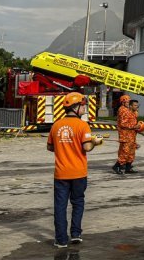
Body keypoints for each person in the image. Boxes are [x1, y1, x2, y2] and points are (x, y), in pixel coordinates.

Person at [46, 91, 103, 248]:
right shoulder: (82, 125)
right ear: (75, 107)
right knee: (78, 202)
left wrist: (64, 146)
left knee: (60, 206)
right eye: (83, 106)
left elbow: (50, 147)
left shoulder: (56, 125)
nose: (84, 109)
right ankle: (76, 234)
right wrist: (96, 142)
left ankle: (61, 240)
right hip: (78, 173)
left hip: (61, 173)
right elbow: (86, 147)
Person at [113, 95, 144, 174]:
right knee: (125, 151)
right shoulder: (123, 111)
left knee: (131, 151)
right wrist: (134, 126)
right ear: (123, 102)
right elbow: (123, 124)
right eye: (127, 102)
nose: (128, 103)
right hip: (125, 135)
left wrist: (139, 126)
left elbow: (133, 120)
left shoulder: (130, 111)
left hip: (132, 135)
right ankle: (117, 166)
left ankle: (128, 167)